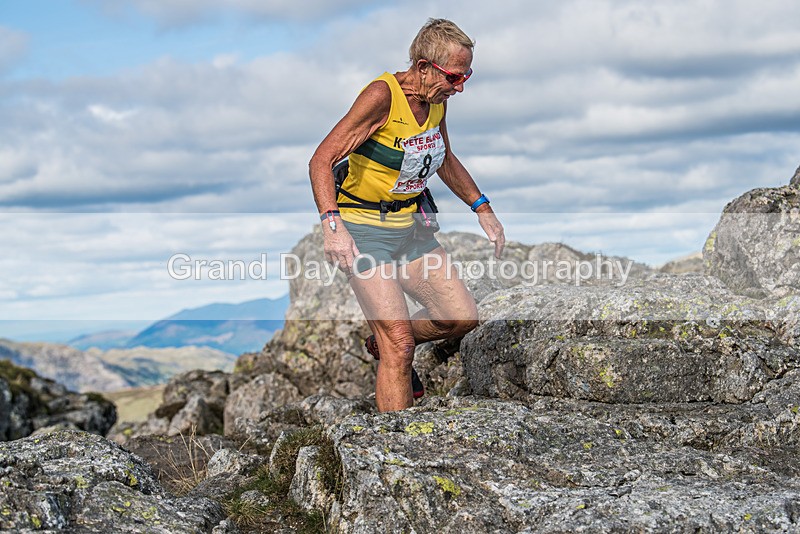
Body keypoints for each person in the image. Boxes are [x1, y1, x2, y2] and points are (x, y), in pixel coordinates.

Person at [308, 18, 505, 412]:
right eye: (454, 76)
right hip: (363, 230)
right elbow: (321, 159)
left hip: (411, 228)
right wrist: (333, 227)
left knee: (460, 318)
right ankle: (393, 453)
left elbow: (444, 158)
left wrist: (481, 207)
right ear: (422, 67)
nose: (460, 86)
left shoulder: (436, 100)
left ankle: (379, 340)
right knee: (399, 344)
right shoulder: (381, 96)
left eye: (467, 75)